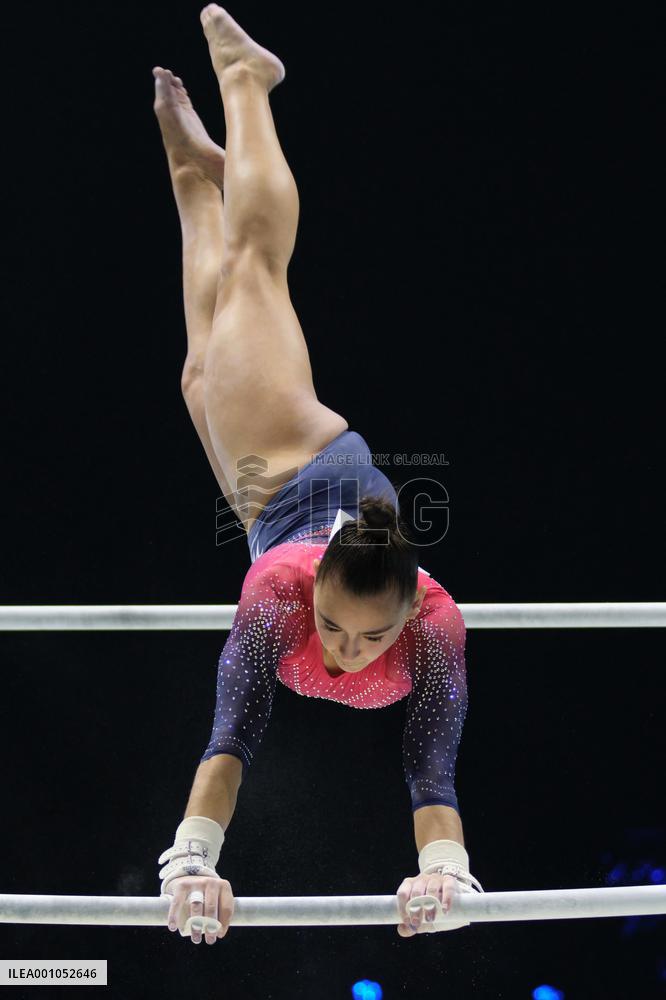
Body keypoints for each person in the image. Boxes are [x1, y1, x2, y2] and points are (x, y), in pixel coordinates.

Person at [152, 4, 482, 947]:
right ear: (313, 587)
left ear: (411, 615)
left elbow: (433, 773)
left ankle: (194, 174)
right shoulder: (278, 591)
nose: (344, 650)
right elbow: (232, 735)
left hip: (271, 507)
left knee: (199, 371)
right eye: (334, 624)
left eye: (368, 635)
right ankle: (248, 81)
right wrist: (192, 858)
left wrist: (444, 870)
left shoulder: (433, 631)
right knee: (257, 268)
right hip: (294, 464)